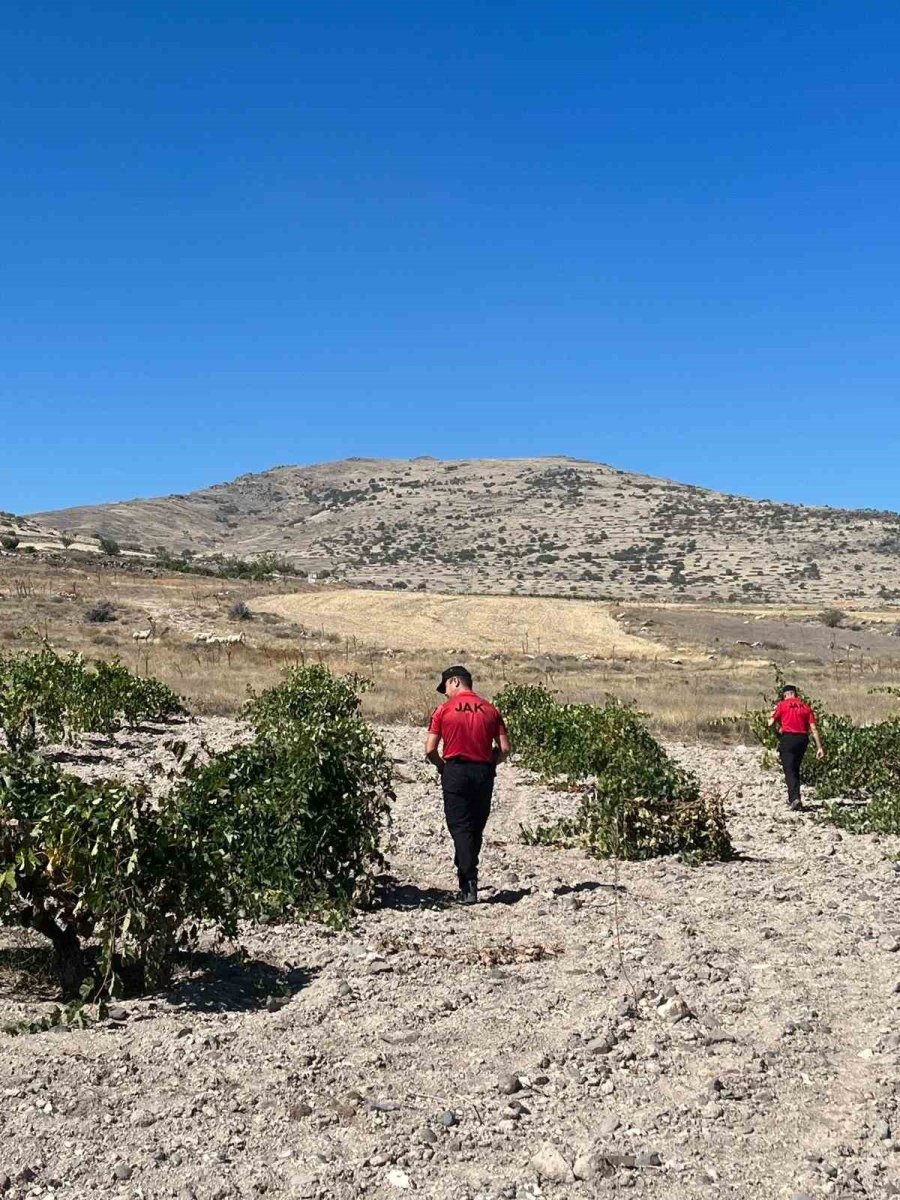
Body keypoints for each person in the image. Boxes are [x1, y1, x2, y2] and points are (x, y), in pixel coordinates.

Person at [425, 665, 510, 905]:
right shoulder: (491, 710)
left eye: (445, 688)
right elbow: (504, 749)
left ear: (454, 682)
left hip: (456, 770)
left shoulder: (443, 710)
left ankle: (468, 881)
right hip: (483, 772)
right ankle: (467, 868)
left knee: (459, 827)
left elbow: (430, 749)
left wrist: (442, 767)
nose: (445, 693)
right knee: (475, 826)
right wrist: (492, 762)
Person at [768, 684, 825, 811]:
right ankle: (796, 797)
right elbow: (814, 729)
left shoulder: (782, 705)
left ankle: (794, 798)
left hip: (788, 738)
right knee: (795, 768)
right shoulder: (806, 707)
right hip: (802, 739)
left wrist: (776, 731)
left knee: (789, 770)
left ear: (785, 695)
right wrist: (819, 747)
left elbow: (770, 723)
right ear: (795, 694)